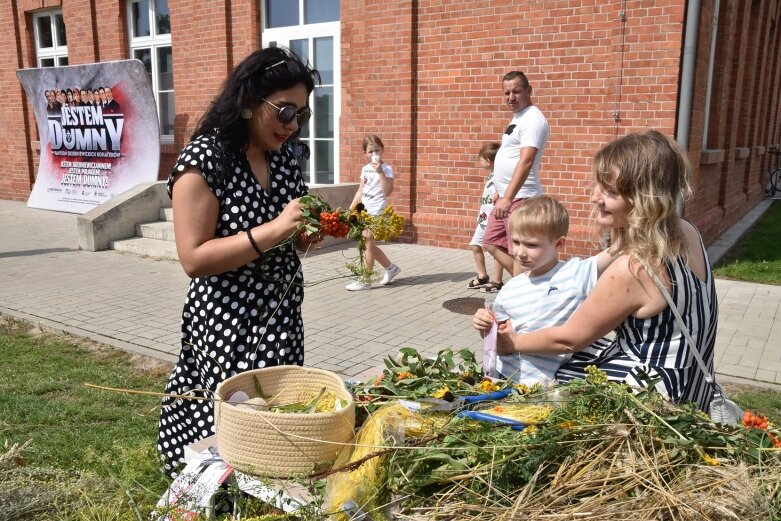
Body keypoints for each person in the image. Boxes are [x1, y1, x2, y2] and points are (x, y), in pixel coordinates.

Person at [157, 46, 320, 474]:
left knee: (277, 407)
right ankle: (208, 482)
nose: (293, 124)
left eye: (301, 114)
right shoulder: (207, 160)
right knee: (235, 411)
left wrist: (305, 236)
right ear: (250, 101)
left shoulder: (285, 157)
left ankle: (265, 479)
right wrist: (275, 231)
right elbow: (193, 257)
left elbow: (288, 236)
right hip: (227, 319)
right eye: (285, 110)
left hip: (281, 311)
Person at [485, 130, 718, 412]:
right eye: (599, 185)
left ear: (642, 198)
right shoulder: (685, 230)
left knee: (545, 379)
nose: (595, 197)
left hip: (652, 397)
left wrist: (513, 343)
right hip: (694, 384)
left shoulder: (634, 267)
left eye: (610, 191)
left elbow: (569, 338)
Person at [473, 195, 614, 384]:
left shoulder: (575, 273)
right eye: (515, 242)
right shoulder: (509, 289)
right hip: (502, 377)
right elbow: (498, 339)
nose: (520, 252)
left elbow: (621, 248)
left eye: (531, 245)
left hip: (542, 386)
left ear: (559, 244)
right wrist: (484, 326)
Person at [482, 71, 549, 277]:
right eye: (507, 93)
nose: (511, 97)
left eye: (516, 92)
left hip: (521, 198)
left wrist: (508, 197)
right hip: (507, 196)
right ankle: (526, 284)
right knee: (490, 242)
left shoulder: (533, 120)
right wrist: (501, 191)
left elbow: (526, 160)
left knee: (519, 252)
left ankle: (524, 289)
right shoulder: (518, 118)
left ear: (529, 91)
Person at [345, 134, 401, 291]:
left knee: (366, 245)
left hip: (377, 210)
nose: (374, 154)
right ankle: (391, 268)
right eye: (370, 152)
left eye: (377, 150)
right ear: (365, 154)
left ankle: (365, 280)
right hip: (365, 210)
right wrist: (351, 208)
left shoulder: (387, 169)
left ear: (382, 150)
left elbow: (388, 191)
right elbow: (361, 190)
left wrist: (381, 172)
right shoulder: (365, 169)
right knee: (367, 245)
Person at [467, 142, 506, 293]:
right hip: (483, 219)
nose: (480, 161)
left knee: (496, 249)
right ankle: (483, 276)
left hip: (494, 218)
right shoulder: (491, 175)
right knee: (475, 245)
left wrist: (499, 194)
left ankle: (498, 281)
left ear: (488, 161)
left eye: (481, 159)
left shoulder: (500, 176)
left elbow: (506, 190)